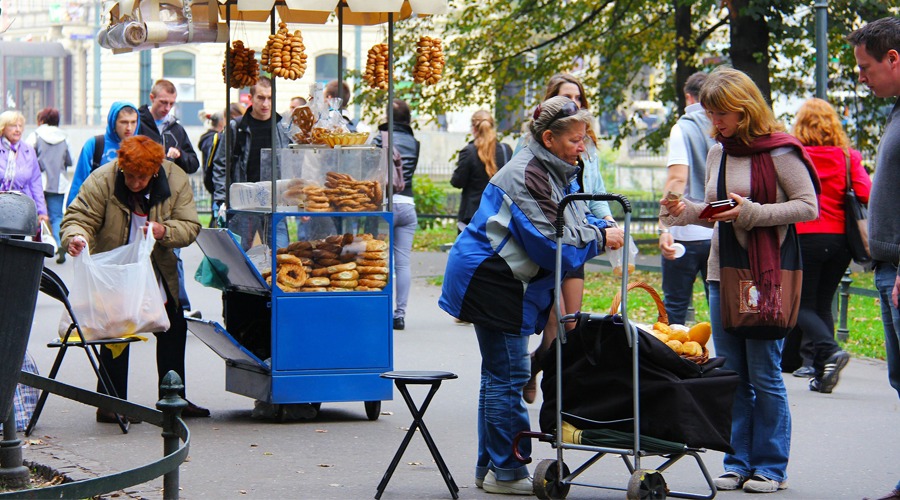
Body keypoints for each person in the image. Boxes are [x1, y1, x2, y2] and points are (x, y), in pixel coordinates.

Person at [439, 96, 623, 494]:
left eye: (585, 137)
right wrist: (600, 237)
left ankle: (490, 468)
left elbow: (569, 220)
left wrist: (596, 223)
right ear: (548, 138)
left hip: (497, 278)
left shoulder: (557, 170)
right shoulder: (526, 173)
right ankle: (508, 472)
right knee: (509, 377)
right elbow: (549, 244)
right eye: (576, 138)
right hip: (493, 280)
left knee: (498, 377)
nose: (583, 144)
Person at [661, 67, 819, 494]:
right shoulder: (719, 152)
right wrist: (683, 209)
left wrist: (752, 213)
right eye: (711, 115)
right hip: (723, 273)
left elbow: (808, 207)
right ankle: (737, 461)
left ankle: (771, 466)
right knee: (732, 374)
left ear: (744, 108)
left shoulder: (782, 152)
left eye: (721, 114)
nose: (716, 123)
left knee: (765, 374)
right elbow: (716, 210)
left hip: (766, 277)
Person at [60, 135, 208, 420]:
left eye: (142, 177)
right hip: (115, 271)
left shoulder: (175, 179)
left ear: (155, 171)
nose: (135, 183)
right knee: (115, 330)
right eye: (129, 176)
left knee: (173, 327)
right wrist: (75, 237)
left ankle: (173, 398)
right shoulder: (103, 179)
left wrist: (163, 231)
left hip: (158, 267)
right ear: (121, 166)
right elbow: (79, 216)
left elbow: (190, 225)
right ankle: (112, 403)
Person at [522, 73, 616, 404]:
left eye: (578, 97)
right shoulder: (537, 149)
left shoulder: (585, 146)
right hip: (555, 240)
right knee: (553, 316)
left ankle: (540, 368)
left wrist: (606, 220)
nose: (574, 102)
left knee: (569, 323)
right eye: (566, 97)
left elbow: (596, 189)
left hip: (578, 234)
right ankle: (549, 387)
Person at [848, 17, 900, 500]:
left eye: (866, 66)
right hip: (888, 269)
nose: (861, 76)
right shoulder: (896, 111)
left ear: (894, 59)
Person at [790, 98, 870, 394]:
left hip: (805, 235)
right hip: (839, 242)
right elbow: (865, 192)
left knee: (797, 304)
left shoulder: (796, 157)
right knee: (822, 303)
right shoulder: (848, 157)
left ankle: (830, 350)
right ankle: (824, 374)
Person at [658, 72, 714, 325]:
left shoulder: (684, 127)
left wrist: (665, 225)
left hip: (686, 232)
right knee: (720, 304)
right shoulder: (725, 124)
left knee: (675, 307)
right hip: (719, 230)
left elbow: (677, 180)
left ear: (688, 97)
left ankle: (674, 362)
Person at [211, 77, 291, 249]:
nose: (266, 103)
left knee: (280, 253)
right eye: (261, 98)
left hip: (275, 201)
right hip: (244, 201)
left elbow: (292, 161)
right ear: (251, 98)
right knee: (238, 254)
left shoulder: (283, 127)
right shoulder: (236, 127)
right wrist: (222, 199)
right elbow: (220, 165)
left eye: (270, 98)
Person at [373, 99, 419, 330]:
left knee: (379, 260)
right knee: (403, 264)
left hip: (384, 207)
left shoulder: (379, 138)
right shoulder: (415, 142)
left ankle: (379, 309)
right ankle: (399, 315)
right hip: (407, 205)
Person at [66, 102, 140, 206]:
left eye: (133, 122)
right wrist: (72, 213)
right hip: (97, 210)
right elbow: (79, 181)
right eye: (124, 122)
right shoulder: (95, 144)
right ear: (113, 122)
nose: (129, 128)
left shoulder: (141, 148)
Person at [451, 110, 512, 232]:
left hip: (473, 216)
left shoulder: (468, 152)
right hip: (499, 214)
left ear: (474, 128)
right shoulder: (506, 150)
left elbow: (457, 182)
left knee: (469, 250)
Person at [26, 107, 72, 264]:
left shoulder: (35, 135)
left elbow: (25, 158)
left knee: (34, 215)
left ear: (42, 120)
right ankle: (60, 245)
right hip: (58, 183)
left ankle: (35, 248)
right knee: (56, 216)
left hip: (37, 182)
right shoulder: (65, 137)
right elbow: (69, 161)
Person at [137, 79, 199, 175]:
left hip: (168, 186)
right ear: (152, 98)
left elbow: (193, 165)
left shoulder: (177, 129)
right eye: (163, 102)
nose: (167, 108)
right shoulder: (137, 123)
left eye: (171, 103)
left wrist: (179, 155)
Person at [0, 110, 49, 229]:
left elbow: (35, 183)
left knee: (19, 246)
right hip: (1, 208)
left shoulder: (28, 150)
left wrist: (42, 211)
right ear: (3, 127)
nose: (18, 129)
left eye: (20, 126)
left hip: (22, 210)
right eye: (13, 126)